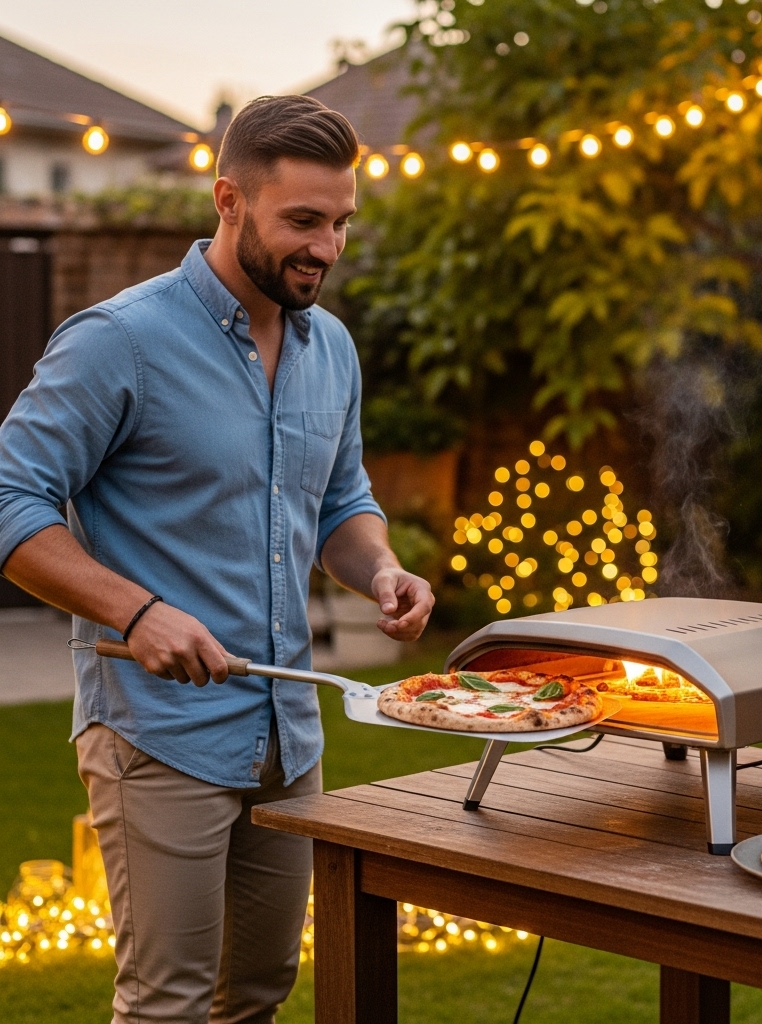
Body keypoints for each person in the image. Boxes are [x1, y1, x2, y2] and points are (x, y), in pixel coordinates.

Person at [0, 95, 434, 1024]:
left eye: (342, 222)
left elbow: (342, 504)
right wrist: (136, 611)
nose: (327, 247)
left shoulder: (332, 349)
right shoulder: (120, 341)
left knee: (260, 994)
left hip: (289, 735)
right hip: (158, 736)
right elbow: (9, 500)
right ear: (228, 200)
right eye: (304, 221)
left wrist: (382, 569)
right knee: (170, 1007)